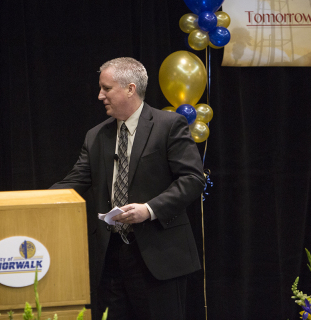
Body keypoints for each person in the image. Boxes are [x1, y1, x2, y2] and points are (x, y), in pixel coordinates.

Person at [51, 57, 206, 319]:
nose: (100, 96)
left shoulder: (168, 125)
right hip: (111, 258)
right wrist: (30, 200)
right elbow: (73, 182)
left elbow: (193, 179)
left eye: (106, 88)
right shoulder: (96, 136)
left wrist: (149, 209)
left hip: (159, 256)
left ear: (130, 89)